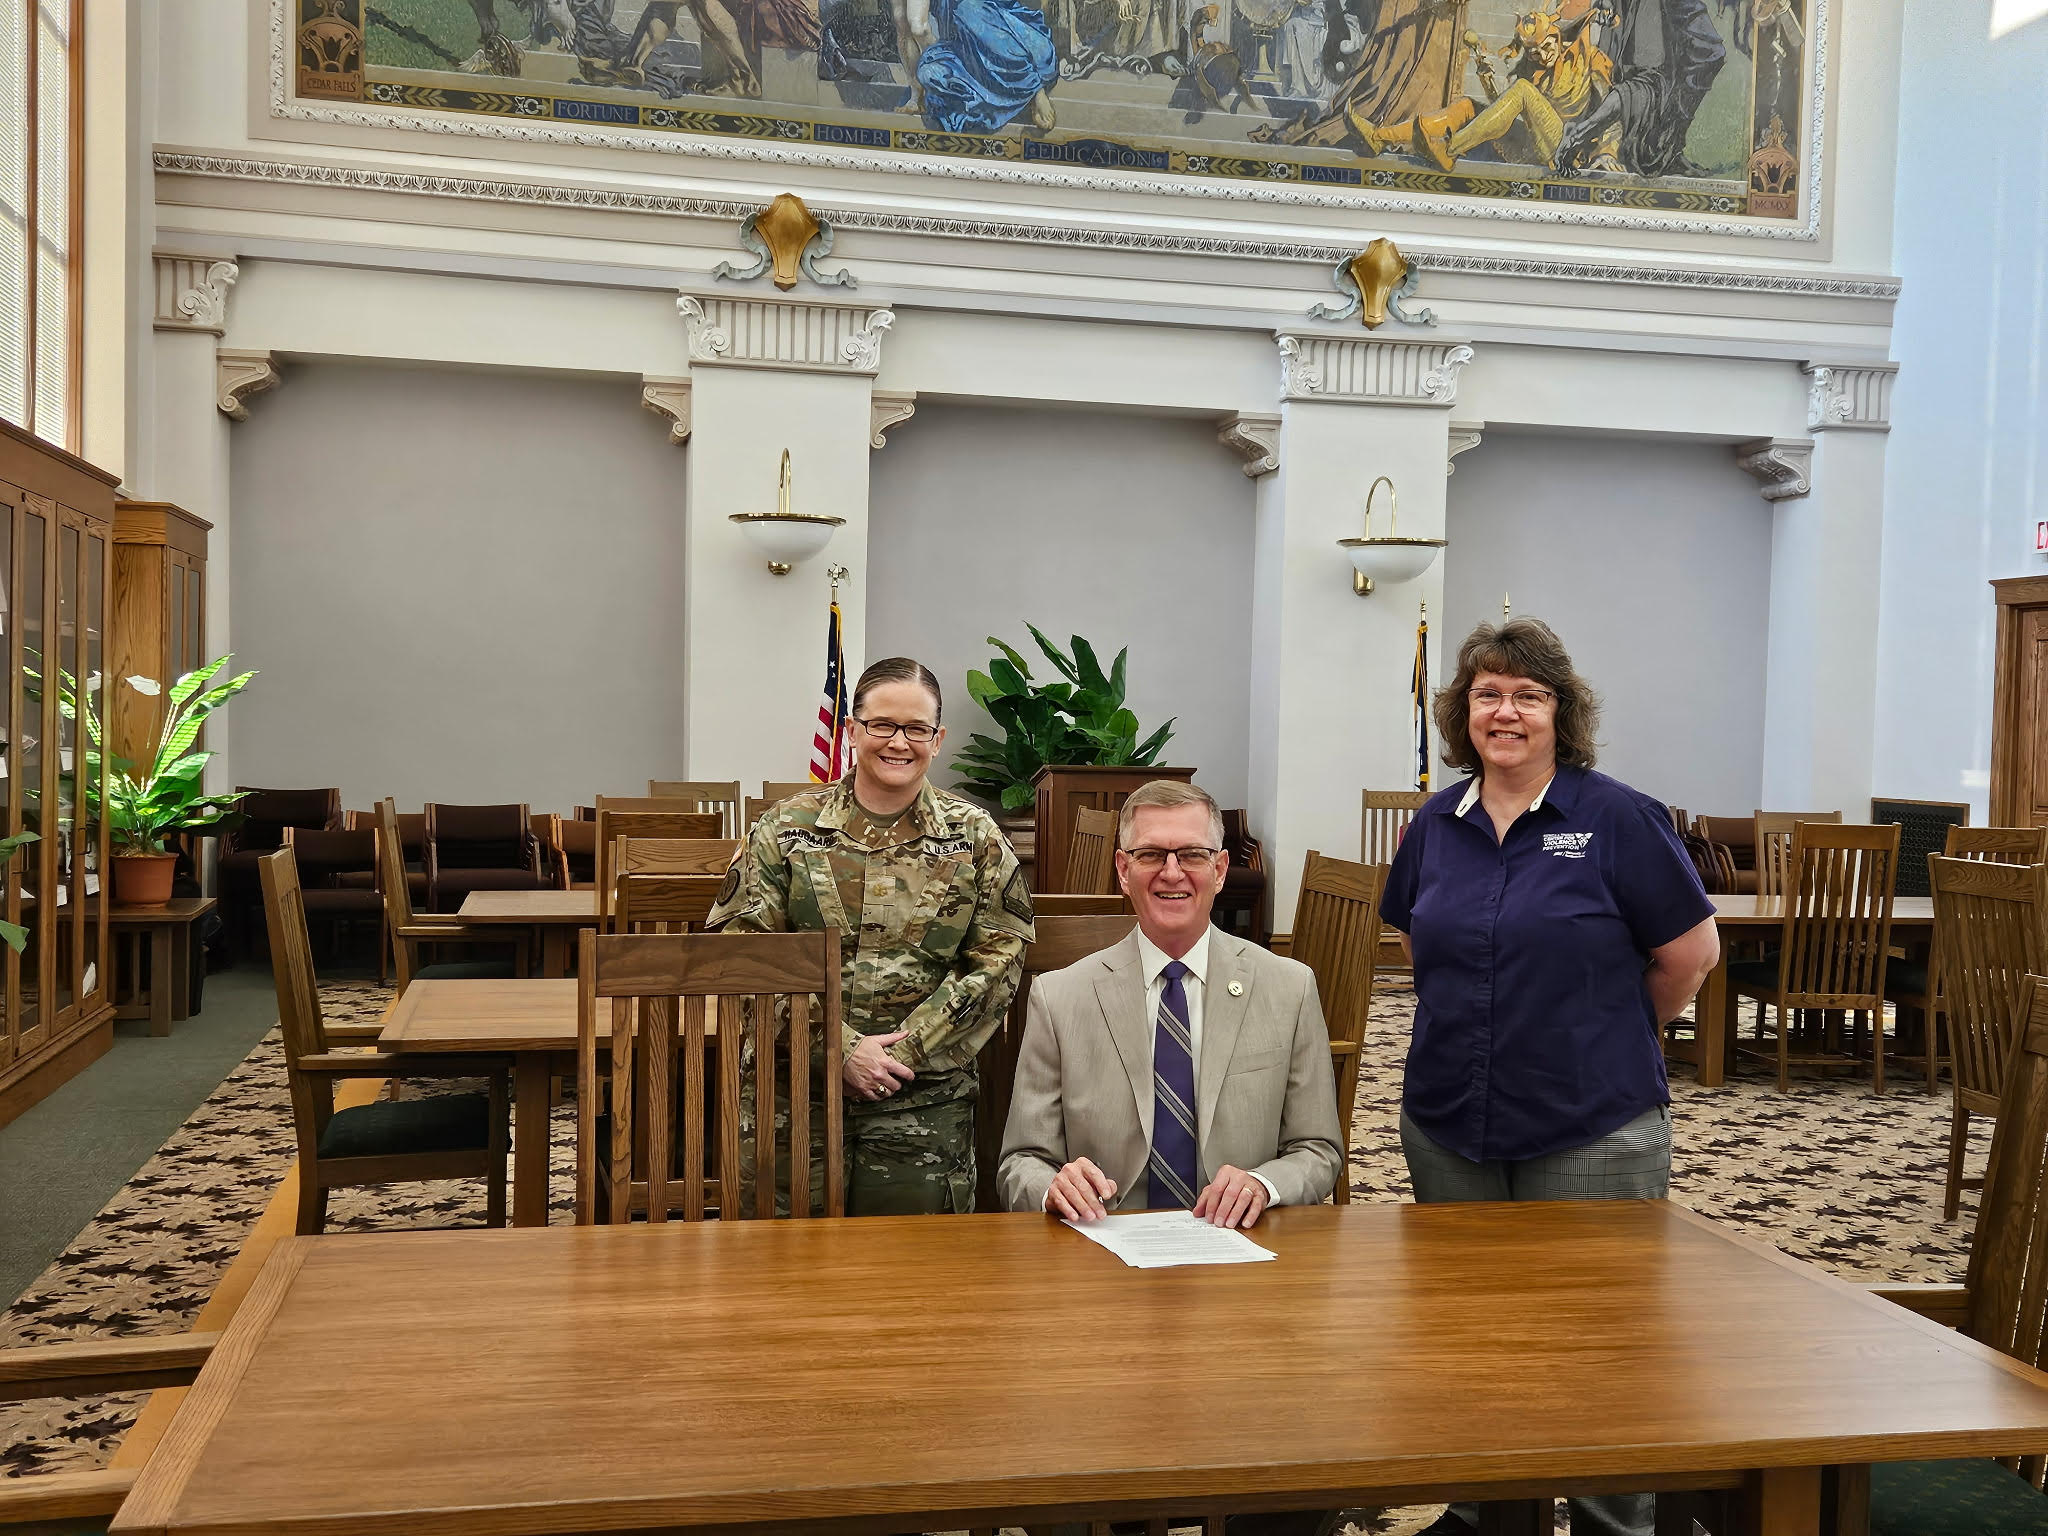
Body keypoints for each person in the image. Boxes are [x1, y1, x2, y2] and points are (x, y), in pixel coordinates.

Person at [1380, 618, 1719, 1536]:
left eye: (1529, 696)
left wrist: (1600, 1031)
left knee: (1599, 1345)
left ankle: (1619, 1522)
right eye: (1488, 693)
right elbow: (1419, 942)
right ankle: (1484, 1507)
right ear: (1462, 713)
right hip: (1451, 1119)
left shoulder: (1618, 817)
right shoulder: (1433, 824)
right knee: (1472, 1333)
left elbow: (1689, 956)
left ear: (1561, 715)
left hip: (1592, 1123)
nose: (1507, 711)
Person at [706, 656, 1034, 1215]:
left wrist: (905, 1049)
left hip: (923, 1098)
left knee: (912, 1279)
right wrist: (838, 1048)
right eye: (882, 725)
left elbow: (999, 961)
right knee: (772, 1274)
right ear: (853, 729)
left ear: (938, 737)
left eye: (916, 729)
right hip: (792, 1093)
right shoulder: (785, 829)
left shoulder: (974, 835)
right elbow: (740, 953)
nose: (898, 742)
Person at [999, 780, 1342, 1225]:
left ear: (1220, 870)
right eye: (1151, 855)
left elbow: (1318, 1151)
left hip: (1241, 1245)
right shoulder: (1060, 997)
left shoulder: (1288, 988)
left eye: (1193, 855)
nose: (1173, 872)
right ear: (1123, 870)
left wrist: (1264, 1184)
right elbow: (1020, 1162)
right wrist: (1052, 1186)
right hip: (1105, 1248)